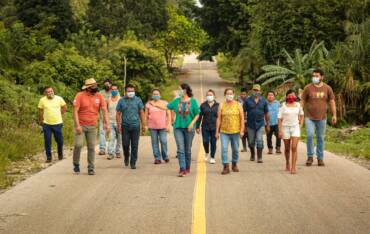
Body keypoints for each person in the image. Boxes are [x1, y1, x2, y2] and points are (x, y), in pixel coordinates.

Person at [153, 83, 199, 177]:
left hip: (189, 129)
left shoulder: (193, 101)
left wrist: (192, 123)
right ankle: (182, 169)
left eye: (180, 89)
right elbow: (167, 107)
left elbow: (197, 114)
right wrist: (156, 105)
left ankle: (187, 167)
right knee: (180, 149)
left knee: (187, 150)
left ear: (185, 90)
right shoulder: (177, 101)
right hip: (178, 128)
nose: (179, 91)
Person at [72, 78, 110, 175]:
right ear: (88, 88)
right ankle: (76, 163)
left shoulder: (99, 96)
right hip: (80, 124)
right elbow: (75, 111)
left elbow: (104, 110)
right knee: (78, 145)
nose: (95, 87)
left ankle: (91, 167)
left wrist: (107, 123)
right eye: (93, 86)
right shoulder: (80, 95)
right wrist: (77, 126)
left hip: (93, 126)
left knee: (91, 147)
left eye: (96, 85)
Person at [301, 68, 336, 167]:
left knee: (320, 138)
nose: (314, 77)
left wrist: (334, 115)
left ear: (322, 77)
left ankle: (320, 158)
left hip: (322, 118)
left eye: (316, 76)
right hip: (309, 117)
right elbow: (303, 100)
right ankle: (310, 157)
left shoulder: (327, 88)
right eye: (313, 76)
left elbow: (332, 101)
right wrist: (299, 112)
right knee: (309, 135)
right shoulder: (308, 88)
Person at [116, 84, 145, 169]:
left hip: (135, 126)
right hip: (125, 126)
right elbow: (118, 113)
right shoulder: (121, 100)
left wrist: (143, 125)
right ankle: (126, 156)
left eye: (132, 91)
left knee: (135, 145)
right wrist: (118, 124)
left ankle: (133, 162)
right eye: (129, 91)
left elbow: (141, 112)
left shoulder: (138, 100)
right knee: (125, 144)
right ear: (125, 92)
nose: (131, 92)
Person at [216, 88, 244, 175]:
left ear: (234, 94)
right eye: (228, 93)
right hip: (224, 131)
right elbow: (219, 119)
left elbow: (242, 118)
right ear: (225, 95)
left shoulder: (238, 105)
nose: (229, 95)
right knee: (224, 149)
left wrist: (242, 130)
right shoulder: (221, 105)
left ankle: (234, 163)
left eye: (231, 93)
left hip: (235, 131)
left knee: (235, 149)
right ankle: (226, 166)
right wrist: (217, 131)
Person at [38, 87, 67, 163]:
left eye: (51, 91)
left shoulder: (59, 98)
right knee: (47, 141)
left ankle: (60, 155)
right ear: (45, 93)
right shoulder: (42, 100)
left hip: (58, 123)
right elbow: (40, 111)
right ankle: (49, 157)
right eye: (48, 92)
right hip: (47, 124)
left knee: (59, 141)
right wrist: (41, 122)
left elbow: (64, 107)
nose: (50, 93)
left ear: (53, 91)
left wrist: (59, 113)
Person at [278, 90, 304, 174]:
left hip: (295, 127)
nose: (291, 97)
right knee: (287, 148)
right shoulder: (283, 106)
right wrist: (280, 130)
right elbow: (279, 119)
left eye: (293, 95)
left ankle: (293, 167)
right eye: (289, 95)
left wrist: (300, 125)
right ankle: (287, 163)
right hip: (285, 128)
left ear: (295, 96)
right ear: (286, 97)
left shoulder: (298, 105)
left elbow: (302, 115)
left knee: (294, 147)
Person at [243, 84, 270, 163]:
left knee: (259, 140)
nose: (256, 92)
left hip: (260, 124)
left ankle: (259, 157)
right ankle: (252, 154)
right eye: (254, 90)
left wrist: (267, 124)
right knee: (251, 141)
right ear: (252, 91)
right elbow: (244, 112)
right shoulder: (247, 101)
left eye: (257, 90)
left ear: (260, 91)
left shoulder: (263, 101)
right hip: (250, 124)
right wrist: (244, 124)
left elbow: (267, 113)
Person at [145, 88, 171, 164]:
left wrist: (168, 125)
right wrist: (145, 125)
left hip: (163, 126)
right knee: (154, 142)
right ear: (152, 95)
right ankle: (157, 158)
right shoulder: (148, 104)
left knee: (163, 141)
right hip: (152, 126)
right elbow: (146, 115)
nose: (155, 95)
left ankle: (165, 156)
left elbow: (168, 114)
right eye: (154, 94)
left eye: (157, 94)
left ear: (160, 95)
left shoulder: (165, 103)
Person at [196, 89, 219, 164]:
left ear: (214, 96)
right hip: (205, 127)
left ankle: (212, 157)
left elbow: (220, 117)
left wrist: (219, 129)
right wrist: (197, 126)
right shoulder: (203, 105)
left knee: (213, 142)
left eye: (211, 95)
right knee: (205, 141)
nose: (209, 96)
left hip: (215, 127)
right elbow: (199, 116)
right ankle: (206, 152)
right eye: (208, 95)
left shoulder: (218, 105)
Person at [107, 85, 122, 160]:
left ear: (118, 90)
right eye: (112, 89)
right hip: (110, 121)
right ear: (110, 90)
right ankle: (110, 153)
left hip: (119, 121)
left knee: (119, 138)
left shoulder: (121, 99)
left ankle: (118, 151)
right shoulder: (108, 100)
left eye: (115, 89)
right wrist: (105, 121)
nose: (114, 91)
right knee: (111, 137)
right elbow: (106, 110)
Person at [98, 79, 112, 155]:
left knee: (111, 133)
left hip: (111, 116)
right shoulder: (100, 93)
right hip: (102, 115)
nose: (106, 86)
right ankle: (102, 149)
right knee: (102, 132)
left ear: (110, 85)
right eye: (105, 84)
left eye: (108, 84)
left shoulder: (113, 92)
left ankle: (111, 149)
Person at [238, 87, 248, 152]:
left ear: (246, 94)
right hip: (241, 119)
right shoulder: (237, 100)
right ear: (240, 94)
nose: (243, 95)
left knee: (249, 133)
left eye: (244, 94)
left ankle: (251, 145)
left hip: (249, 119)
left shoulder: (250, 100)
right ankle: (244, 147)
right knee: (243, 133)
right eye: (242, 94)